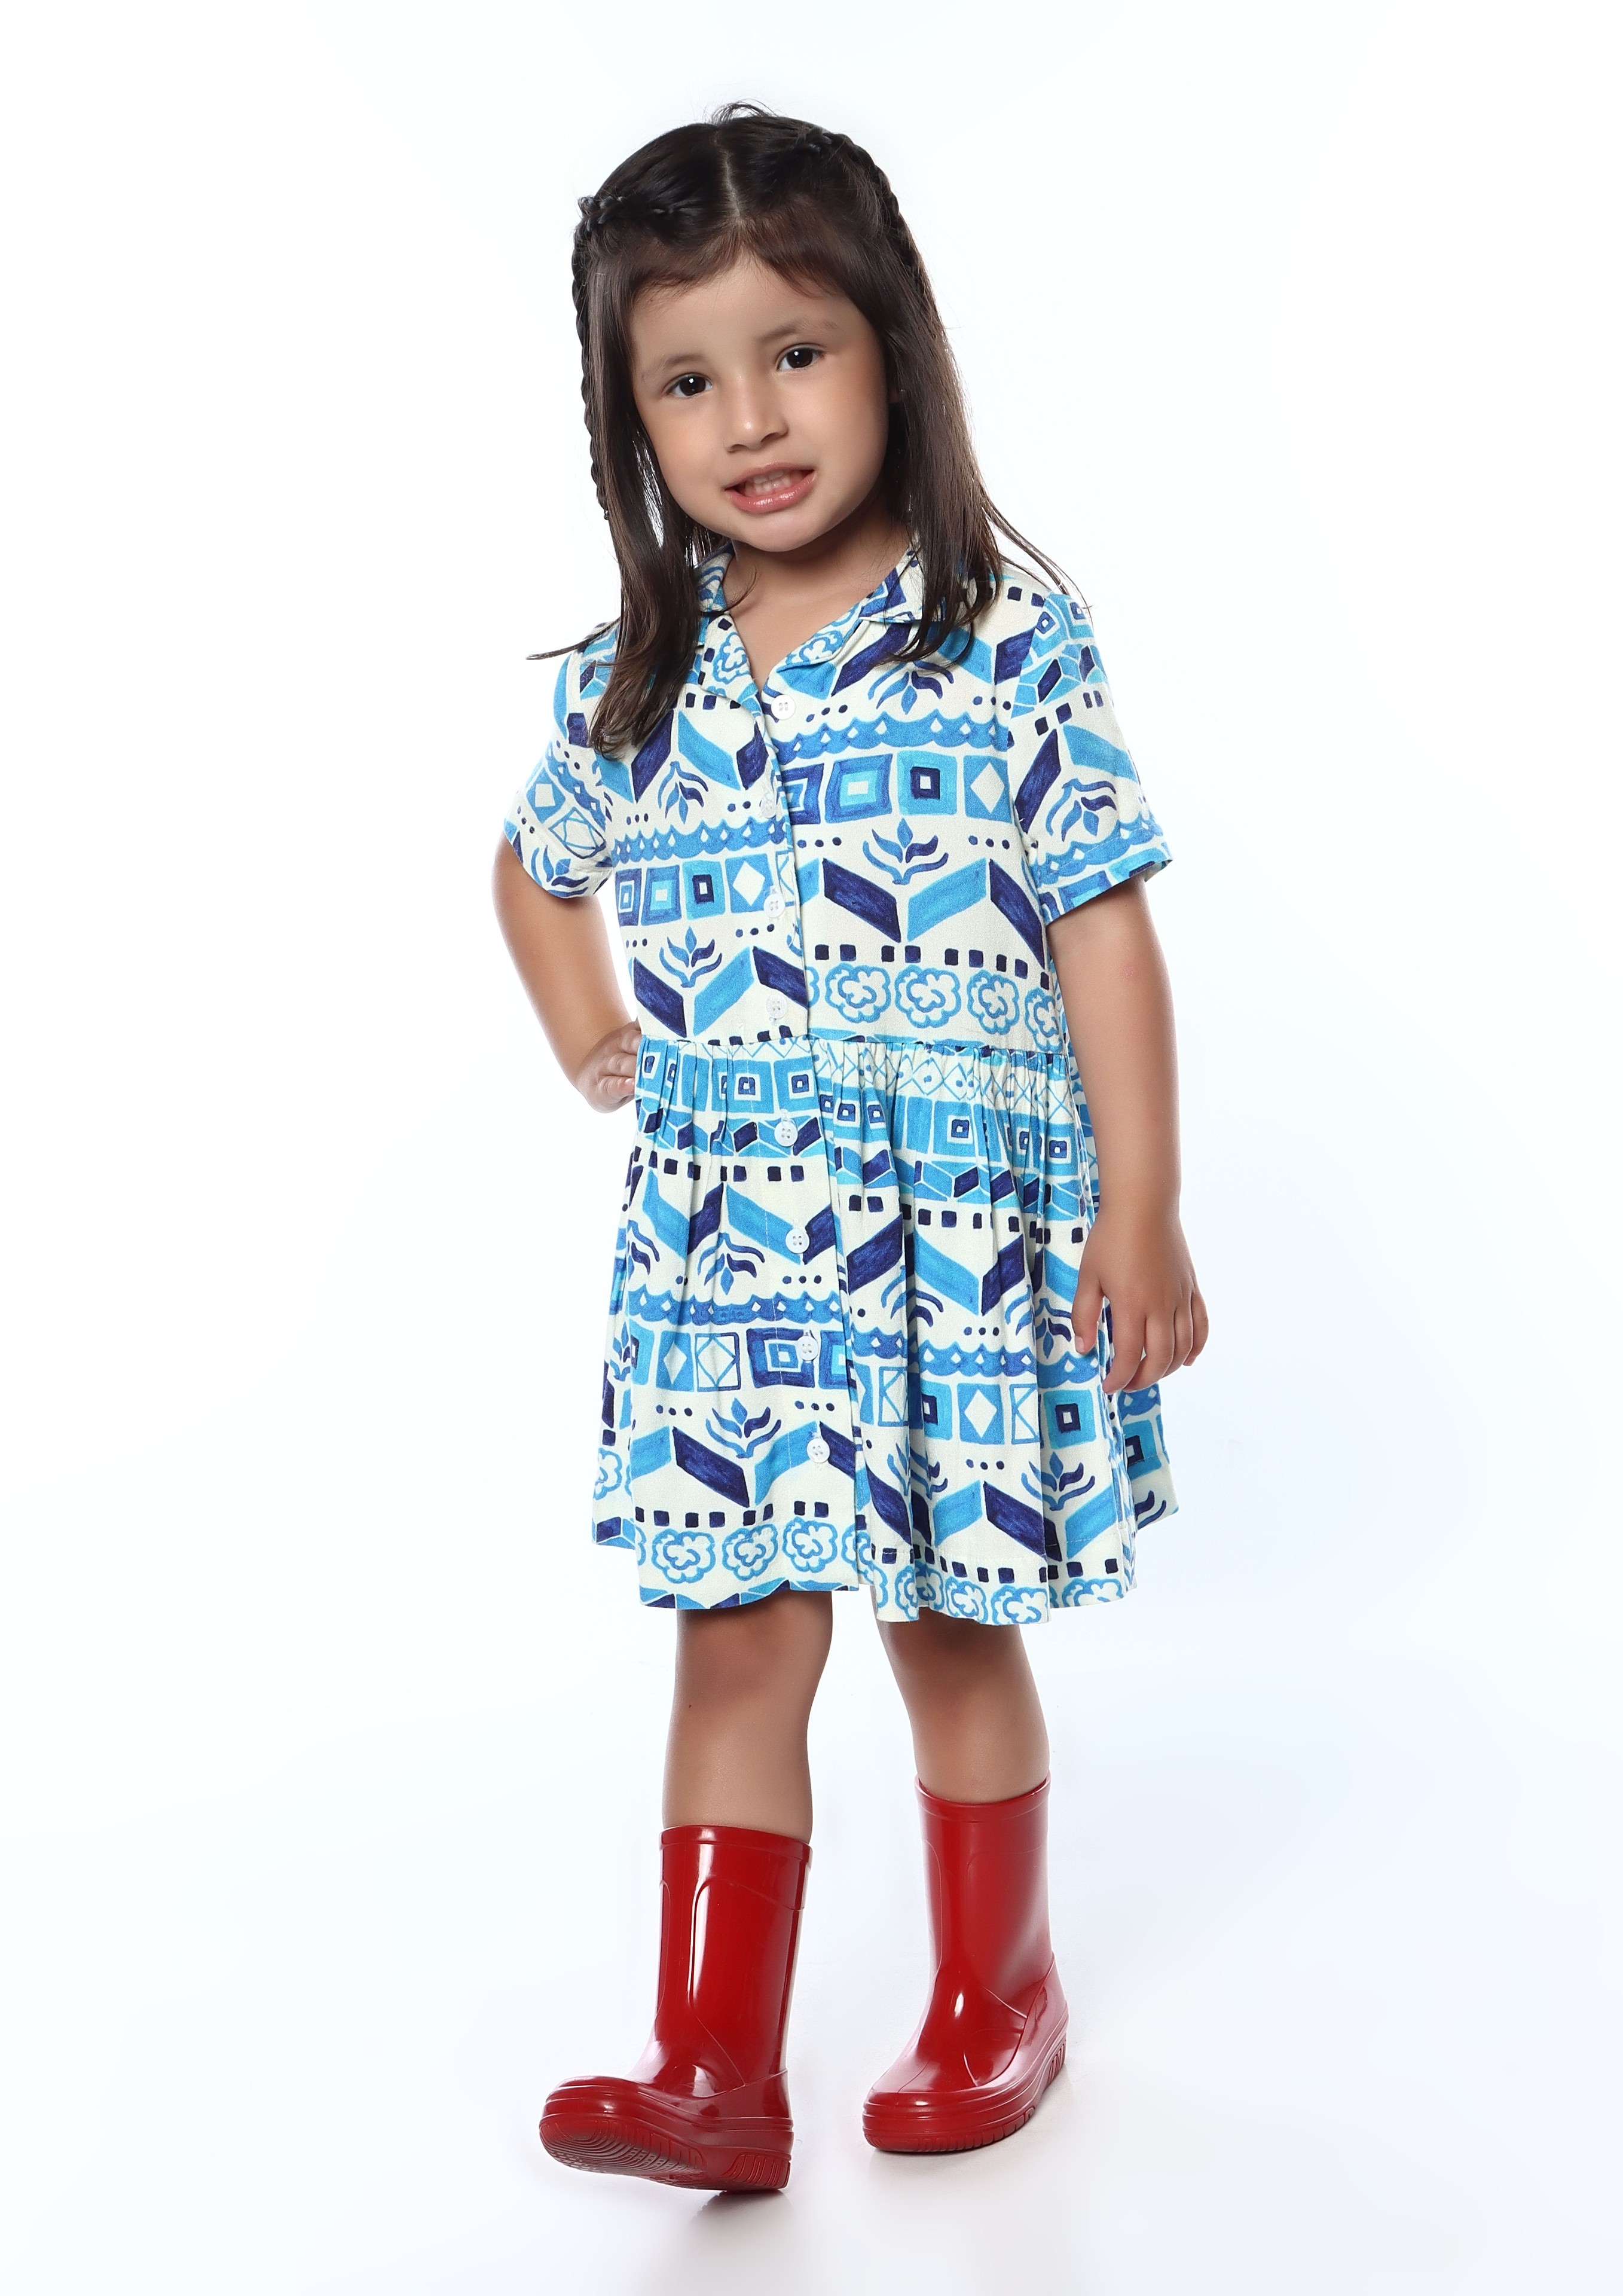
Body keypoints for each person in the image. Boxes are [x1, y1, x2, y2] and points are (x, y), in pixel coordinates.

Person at [493, 103, 1208, 2194]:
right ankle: (710, 2061)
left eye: (793, 352)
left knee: (945, 1627)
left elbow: (1103, 926)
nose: (748, 420)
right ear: (629, 420)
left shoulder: (1005, 647)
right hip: (731, 1262)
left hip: (956, 1244)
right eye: (684, 381)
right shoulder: (638, 684)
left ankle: (1002, 1994)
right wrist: (593, 1035)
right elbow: (532, 874)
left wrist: (1144, 1208)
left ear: (893, 341)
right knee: (733, 1637)